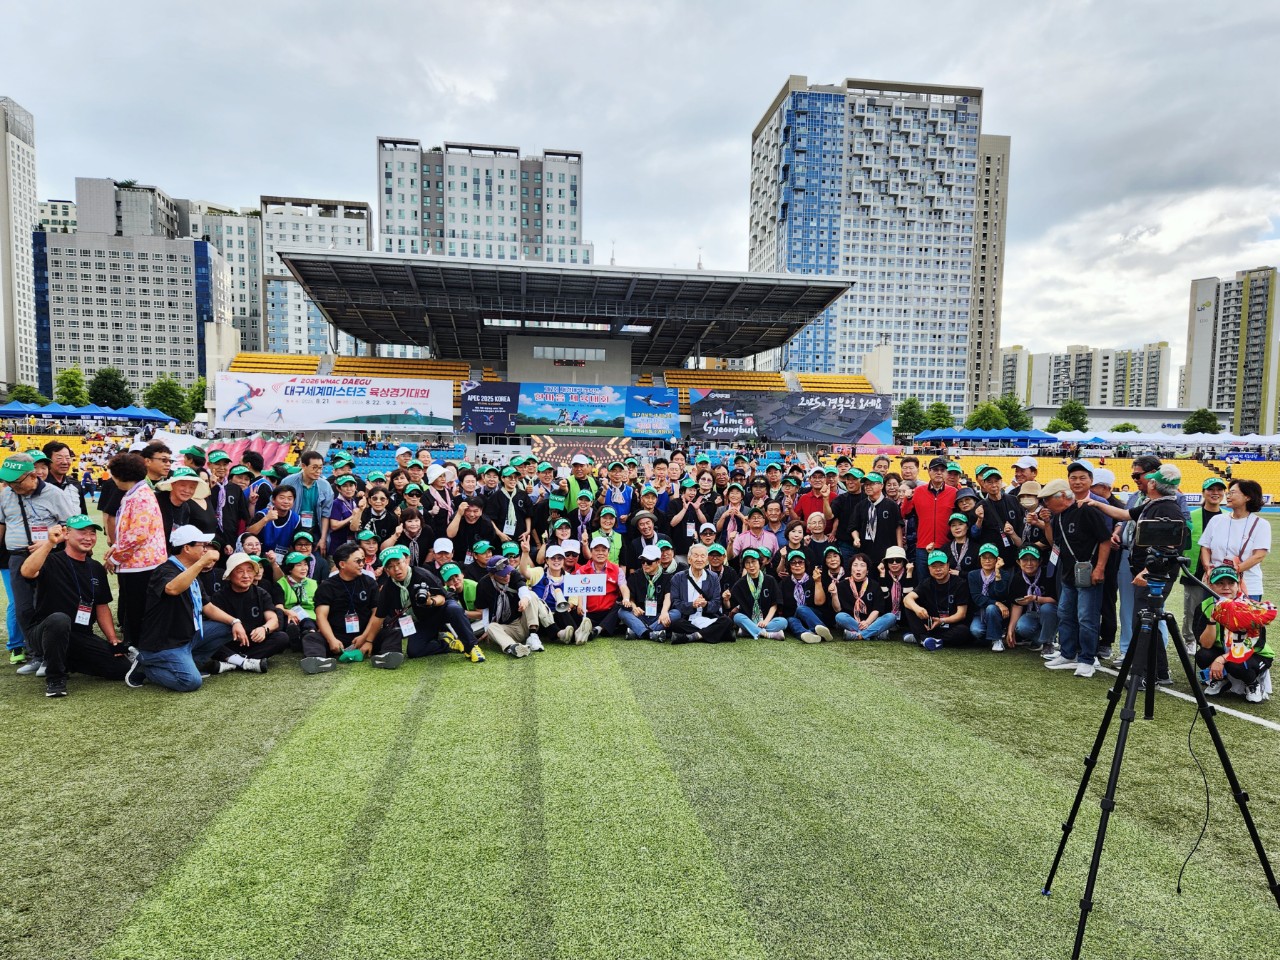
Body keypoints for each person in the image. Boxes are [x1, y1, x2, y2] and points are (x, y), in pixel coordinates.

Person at [19, 515, 126, 697]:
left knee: (122, 668)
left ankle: (66, 660)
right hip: (45, 632)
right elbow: (27, 571)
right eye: (82, 532)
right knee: (59, 620)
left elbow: (101, 607)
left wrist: (113, 639)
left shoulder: (95, 568)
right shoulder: (51, 560)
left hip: (80, 635)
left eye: (92, 533)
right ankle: (55, 678)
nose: (88, 537)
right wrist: (50, 543)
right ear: (66, 534)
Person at [128, 526, 239, 692]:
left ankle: (192, 663)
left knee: (228, 628)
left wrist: (235, 621)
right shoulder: (164, 570)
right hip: (165, 643)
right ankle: (145, 665)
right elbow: (172, 589)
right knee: (191, 682)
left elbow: (207, 606)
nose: (206, 549)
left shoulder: (191, 571)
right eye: (202, 545)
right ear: (186, 548)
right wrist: (202, 563)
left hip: (187, 635)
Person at [1, 453, 78, 676]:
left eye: (17, 482)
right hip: (17, 558)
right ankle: (37, 655)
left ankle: (53, 656)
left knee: (48, 606)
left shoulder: (54, 494)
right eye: (8, 482)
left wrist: (48, 542)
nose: (12, 486)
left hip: (49, 557)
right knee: (24, 609)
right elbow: (2, 524)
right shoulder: (6, 495)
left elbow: (70, 526)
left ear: (32, 475)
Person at [1041, 477, 1112, 678]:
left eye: (1048, 499)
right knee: (1065, 614)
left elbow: (1105, 540)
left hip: (1088, 573)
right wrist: (1047, 523)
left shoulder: (1087, 510)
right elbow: (1054, 543)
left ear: (1062, 496)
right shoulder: (1058, 517)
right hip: (1068, 574)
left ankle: (1087, 659)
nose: (1045, 504)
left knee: (1086, 617)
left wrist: (1100, 568)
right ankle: (1068, 654)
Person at [367, 546, 482, 663]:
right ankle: (447, 643)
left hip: (441, 610)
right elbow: (379, 617)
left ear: (405, 561)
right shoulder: (388, 588)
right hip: (423, 620)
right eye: (390, 567)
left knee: (454, 608)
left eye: (398, 563)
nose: (396, 569)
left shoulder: (422, 575)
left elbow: (442, 598)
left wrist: (430, 601)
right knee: (414, 651)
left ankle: (472, 647)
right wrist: (368, 641)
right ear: (386, 570)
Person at [302, 542, 394, 673]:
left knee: (392, 632)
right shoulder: (327, 586)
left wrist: (366, 638)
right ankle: (317, 660)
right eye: (358, 561)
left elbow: (377, 613)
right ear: (342, 564)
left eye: (363, 560)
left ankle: (387, 657)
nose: (362, 564)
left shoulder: (369, 582)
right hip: (337, 635)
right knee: (311, 638)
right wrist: (332, 640)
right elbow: (321, 616)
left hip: (365, 633)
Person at [1193, 565, 1272, 703]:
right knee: (1203, 655)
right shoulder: (1205, 606)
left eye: (1231, 583)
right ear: (1210, 585)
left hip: (1253, 653)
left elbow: (1252, 645)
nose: (1226, 587)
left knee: (1236, 664)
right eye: (1220, 583)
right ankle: (1221, 679)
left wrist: (1221, 659)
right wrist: (1212, 619)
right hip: (1224, 650)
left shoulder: (1249, 607)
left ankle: (1252, 684)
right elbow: (1205, 644)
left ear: (1238, 585)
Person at [208, 552, 288, 672]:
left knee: (282, 638)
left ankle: (234, 662)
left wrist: (264, 629)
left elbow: (273, 620)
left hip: (255, 641)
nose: (246, 575)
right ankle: (245, 662)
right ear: (230, 575)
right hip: (230, 641)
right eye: (240, 571)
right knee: (209, 641)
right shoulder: (219, 597)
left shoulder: (261, 593)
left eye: (249, 570)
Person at [1199, 479, 1269, 600]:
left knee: (1242, 613)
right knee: (1210, 612)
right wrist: (1208, 567)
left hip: (1248, 586)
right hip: (1215, 584)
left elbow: (1259, 556)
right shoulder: (1216, 520)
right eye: (1228, 493)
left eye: (1232, 493)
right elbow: (1205, 547)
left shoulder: (1261, 524)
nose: (1228, 496)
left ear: (1247, 497)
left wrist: (1233, 571)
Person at [902, 550, 971, 650]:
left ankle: (923, 638)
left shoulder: (960, 583)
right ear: (929, 568)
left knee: (963, 631)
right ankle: (925, 638)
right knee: (910, 605)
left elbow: (961, 614)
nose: (938, 570)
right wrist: (917, 609)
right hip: (931, 624)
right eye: (934, 566)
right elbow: (907, 599)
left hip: (950, 624)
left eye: (941, 566)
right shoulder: (926, 583)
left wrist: (941, 621)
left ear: (948, 565)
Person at [473, 556, 542, 657]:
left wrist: (524, 599)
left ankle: (533, 636)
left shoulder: (513, 573)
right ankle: (513, 647)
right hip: (507, 628)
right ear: (492, 575)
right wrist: (487, 629)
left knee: (530, 595)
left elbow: (522, 587)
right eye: (502, 574)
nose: (507, 576)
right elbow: (485, 610)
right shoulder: (483, 585)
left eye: (508, 572)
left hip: (523, 621)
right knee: (491, 627)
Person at [667, 544, 736, 644]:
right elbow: (675, 603)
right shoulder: (678, 577)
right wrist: (692, 605)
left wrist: (706, 604)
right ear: (689, 559)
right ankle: (721, 634)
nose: (699, 559)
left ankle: (693, 636)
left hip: (708, 618)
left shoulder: (713, 577)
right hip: (687, 620)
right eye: (696, 555)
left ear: (707, 560)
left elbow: (716, 603)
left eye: (702, 556)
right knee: (675, 623)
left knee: (727, 621)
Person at [527, 544, 594, 644]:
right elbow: (523, 572)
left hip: (560, 615)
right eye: (553, 558)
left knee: (564, 609)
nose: (556, 561)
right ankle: (578, 634)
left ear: (563, 560)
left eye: (560, 558)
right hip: (542, 617)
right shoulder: (539, 572)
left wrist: (569, 606)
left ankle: (578, 633)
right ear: (547, 560)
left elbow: (572, 600)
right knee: (554, 610)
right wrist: (525, 553)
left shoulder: (569, 577)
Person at [901, 456, 958, 573]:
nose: (939, 473)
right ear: (929, 471)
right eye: (935, 469)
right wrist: (907, 499)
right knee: (923, 580)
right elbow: (905, 514)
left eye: (942, 470)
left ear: (946, 473)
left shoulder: (953, 492)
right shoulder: (918, 491)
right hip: (923, 545)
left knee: (945, 578)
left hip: (946, 545)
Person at [618, 545, 677, 642]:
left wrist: (664, 612)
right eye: (643, 561)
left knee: (676, 613)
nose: (645, 564)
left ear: (658, 562)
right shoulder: (635, 576)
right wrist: (634, 608)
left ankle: (639, 632)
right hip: (640, 615)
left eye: (649, 562)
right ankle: (650, 634)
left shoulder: (667, 577)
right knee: (622, 612)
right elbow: (631, 598)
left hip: (658, 616)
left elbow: (668, 597)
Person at [280, 451, 335, 554]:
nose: (318, 471)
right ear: (303, 466)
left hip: (314, 530)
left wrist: (323, 539)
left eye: (321, 468)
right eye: (314, 467)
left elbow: (325, 514)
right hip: (291, 529)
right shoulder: (288, 482)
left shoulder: (325, 486)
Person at [1007, 545, 1059, 652]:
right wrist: (1010, 630)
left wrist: (1035, 598)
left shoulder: (1048, 574)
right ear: (1018, 562)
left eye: (1033, 559)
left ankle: (1048, 642)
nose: (1029, 563)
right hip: (1031, 614)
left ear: (1040, 561)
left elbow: (1056, 600)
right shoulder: (1017, 578)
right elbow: (1017, 604)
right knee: (1021, 627)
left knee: (1047, 608)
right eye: (1025, 560)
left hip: (1050, 613)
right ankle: (1047, 642)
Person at [833, 553, 896, 641]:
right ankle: (874, 634)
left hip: (872, 621)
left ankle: (858, 635)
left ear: (867, 571)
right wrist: (834, 594)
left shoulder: (874, 585)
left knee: (891, 617)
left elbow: (877, 609)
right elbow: (837, 609)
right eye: (855, 565)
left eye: (862, 565)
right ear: (851, 569)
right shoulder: (842, 585)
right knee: (840, 616)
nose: (858, 569)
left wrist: (867, 622)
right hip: (852, 622)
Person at [729, 548, 787, 639]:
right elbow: (731, 605)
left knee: (783, 622)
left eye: (753, 561)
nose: (751, 565)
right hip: (749, 620)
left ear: (759, 563)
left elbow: (775, 604)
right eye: (747, 563)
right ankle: (768, 634)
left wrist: (766, 621)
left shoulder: (770, 580)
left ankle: (748, 630)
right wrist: (726, 600)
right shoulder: (740, 583)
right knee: (737, 617)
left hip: (767, 620)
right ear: (744, 566)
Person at [967, 543, 1012, 651]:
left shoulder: (1004, 574)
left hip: (998, 612)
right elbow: (977, 598)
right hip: (980, 612)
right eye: (984, 557)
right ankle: (991, 636)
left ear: (997, 559)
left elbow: (1000, 595)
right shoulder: (973, 574)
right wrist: (997, 603)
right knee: (976, 631)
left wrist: (997, 574)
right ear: (980, 559)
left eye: (991, 558)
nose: (987, 561)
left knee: (991, 608)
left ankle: (996, 639)